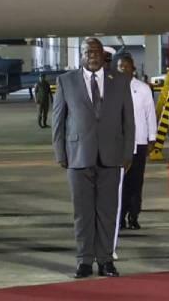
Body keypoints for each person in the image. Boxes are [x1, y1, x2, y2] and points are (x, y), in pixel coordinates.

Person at [52, 38, 135, 279]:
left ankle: (106, 261)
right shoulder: (66, 81)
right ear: (81, 55)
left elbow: (128, 121)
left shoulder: (119, 81)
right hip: (78, 157)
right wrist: (60, 152)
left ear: (103, 55)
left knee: (107, 212)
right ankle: (84, 261)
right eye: (88, 51)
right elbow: (58, 122)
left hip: (111, 156)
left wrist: (127, 153)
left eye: (96, 51)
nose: (92, 55)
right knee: (82, 213)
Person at [116, 54, 158, 230]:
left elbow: (150, 114)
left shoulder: (143, 89)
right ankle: (120, 218)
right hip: (118, 144)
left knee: (136, 182)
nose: (123, 69)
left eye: (126, 66)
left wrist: (152, 139)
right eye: (120, 66)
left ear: (133, 68)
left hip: (139, 142)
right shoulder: (111, 89)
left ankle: (134, 215)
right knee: (119, 183)